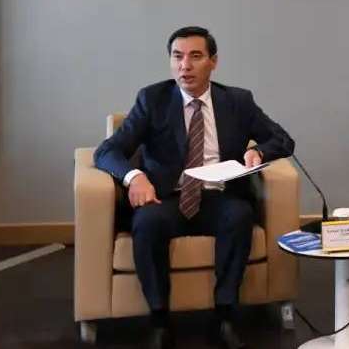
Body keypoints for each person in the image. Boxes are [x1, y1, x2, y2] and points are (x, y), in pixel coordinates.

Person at [94, 26, 295, 349]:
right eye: (177, 57)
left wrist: (259, 151)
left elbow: (283, 139)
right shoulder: (153, 99)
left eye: (195, 56)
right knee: (147, 222)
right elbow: (106, 151)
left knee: (239, 216)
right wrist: (135, 177)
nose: (184, 66)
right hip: (166, 196)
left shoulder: (237, 101)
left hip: (218, 196)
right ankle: (159, 319)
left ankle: (224, 315)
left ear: (213, 62)